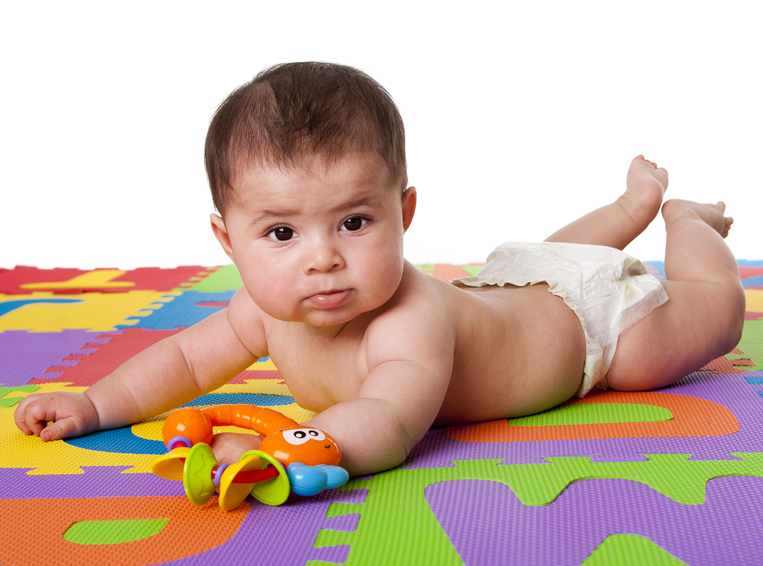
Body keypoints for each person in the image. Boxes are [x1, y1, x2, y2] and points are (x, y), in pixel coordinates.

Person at [14, 62, 746, 476]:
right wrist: (97, 404)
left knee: (705, 314)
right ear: (227, 241)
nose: (323, 256)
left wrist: (285, 450)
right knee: (547, 259)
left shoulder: (409, 321)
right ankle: (627, 204)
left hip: (594, 331)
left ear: (405, 212)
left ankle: (680, 218)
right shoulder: (261, 312)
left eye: (354, 222)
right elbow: (179, 358)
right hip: (516, 281)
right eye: (279, 232)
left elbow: (388, 419)